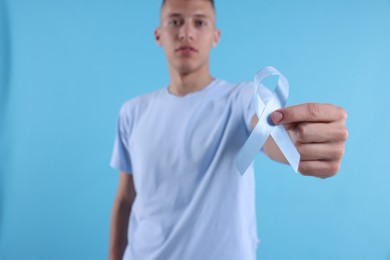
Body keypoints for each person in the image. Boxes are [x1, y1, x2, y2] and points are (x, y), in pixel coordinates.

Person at [108, 0, 348, 259]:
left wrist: (295, 143)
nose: (186, 32)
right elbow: (125, 199)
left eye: (200, 22)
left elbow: (267, 132)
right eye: (175, 21)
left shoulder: (242, 99)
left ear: (215, 36)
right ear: (159, 35)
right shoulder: (132, 112)